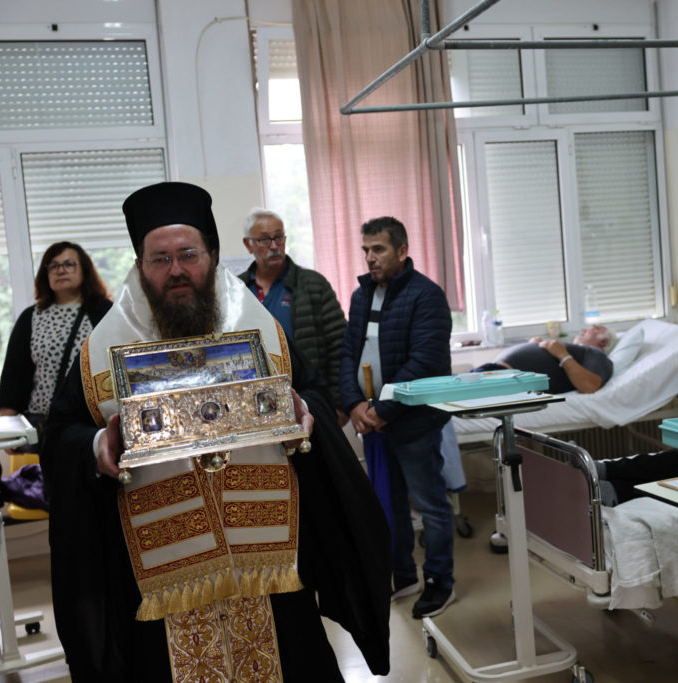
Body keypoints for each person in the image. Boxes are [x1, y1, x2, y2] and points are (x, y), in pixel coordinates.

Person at [41, 182, 390, 682]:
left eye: (188, 255)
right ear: (140, 265)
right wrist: (98, 445)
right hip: (161, 568)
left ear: (212, 255)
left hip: (267, 558)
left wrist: (304, 412)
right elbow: (60, 435)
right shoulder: (102, 352)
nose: (176, 270)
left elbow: (311, 391)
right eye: (160, 259)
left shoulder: (259, 330)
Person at [339, 216, 456, 619]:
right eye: (366, 250)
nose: (370, 258)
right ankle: (403, 575)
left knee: (430, 505)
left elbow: (424, 363)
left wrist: (381, 410)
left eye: (379, 249)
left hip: (414, 423)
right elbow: (348, 354)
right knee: (389, 504)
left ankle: (440, 581)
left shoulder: (427, 296)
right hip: (373, 421)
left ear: (402, 251)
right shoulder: (361, 296)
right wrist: (354, 404)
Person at [0, 242, 113, 509]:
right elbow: (15, 375)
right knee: (61, 503)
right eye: (54, 265)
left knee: (99, 500)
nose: (61, 270)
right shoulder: (31, 317)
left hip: (93, 424)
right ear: (45, 274)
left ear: (84, 270)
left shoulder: (104, 313)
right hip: (48, 429)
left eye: (69, 264)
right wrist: (7, 429)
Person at [238, 208, 346, 414]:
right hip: (254, 405)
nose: (274, 246)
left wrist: (338, 404)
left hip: (310, 398)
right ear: (248, 244)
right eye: (264, 240)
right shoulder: (238, 290)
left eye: (279, 238)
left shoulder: (313, 284)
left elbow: (339, 346)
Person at [474, 324, 617, 394]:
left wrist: (563, 354)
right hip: (497, 372)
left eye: (594, 328)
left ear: (603, 341)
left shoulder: (598, 356)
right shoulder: (579, 353)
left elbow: (589, 386)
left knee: (460, 397)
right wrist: (535, 347)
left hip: (506, 379)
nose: (583, 330)